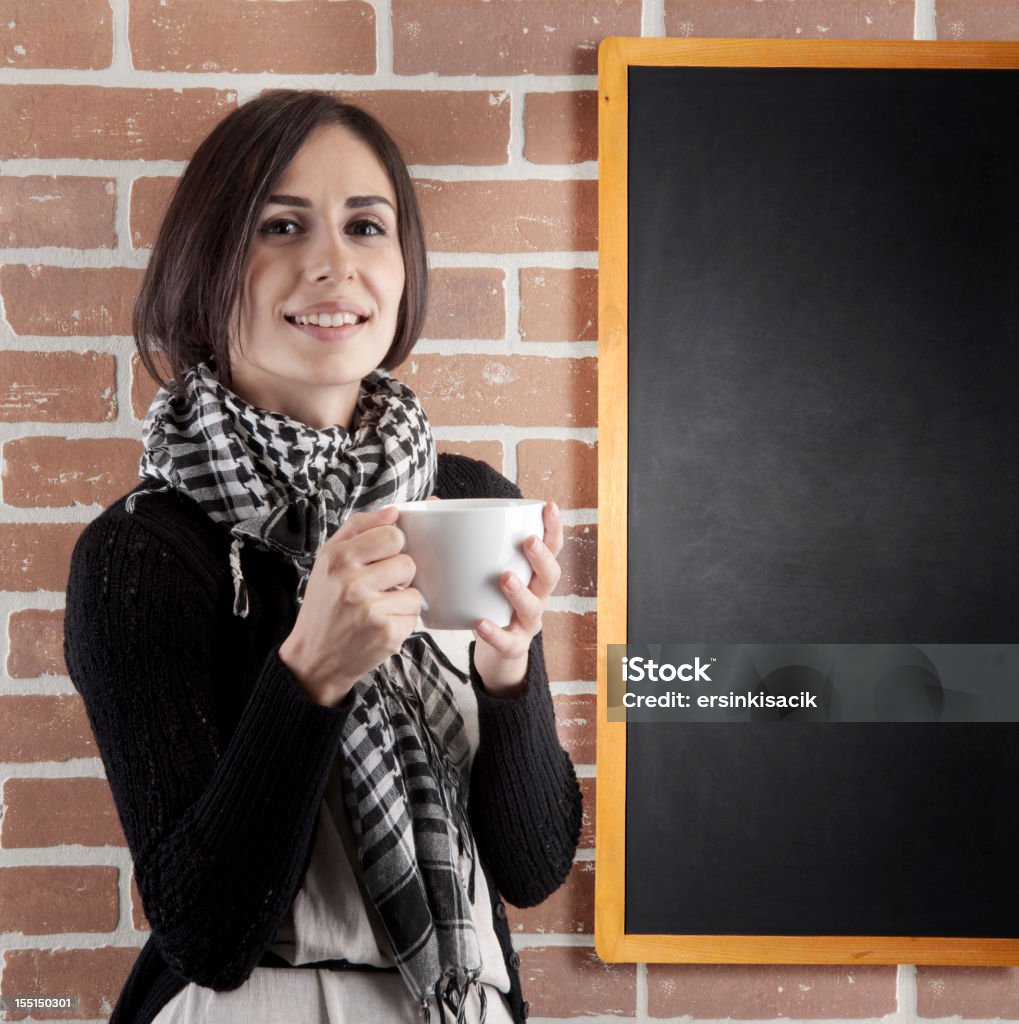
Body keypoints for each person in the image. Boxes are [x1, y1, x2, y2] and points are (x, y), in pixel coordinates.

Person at [64, 90, 583, 1024]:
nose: (332, 263)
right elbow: (205, 928)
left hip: (456, 1003)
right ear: (208, 264)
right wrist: (312, 672)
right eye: (281, 225)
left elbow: (534, 867)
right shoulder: (143, 552)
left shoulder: (471, 503)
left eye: (364, 226)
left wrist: (509, 680)